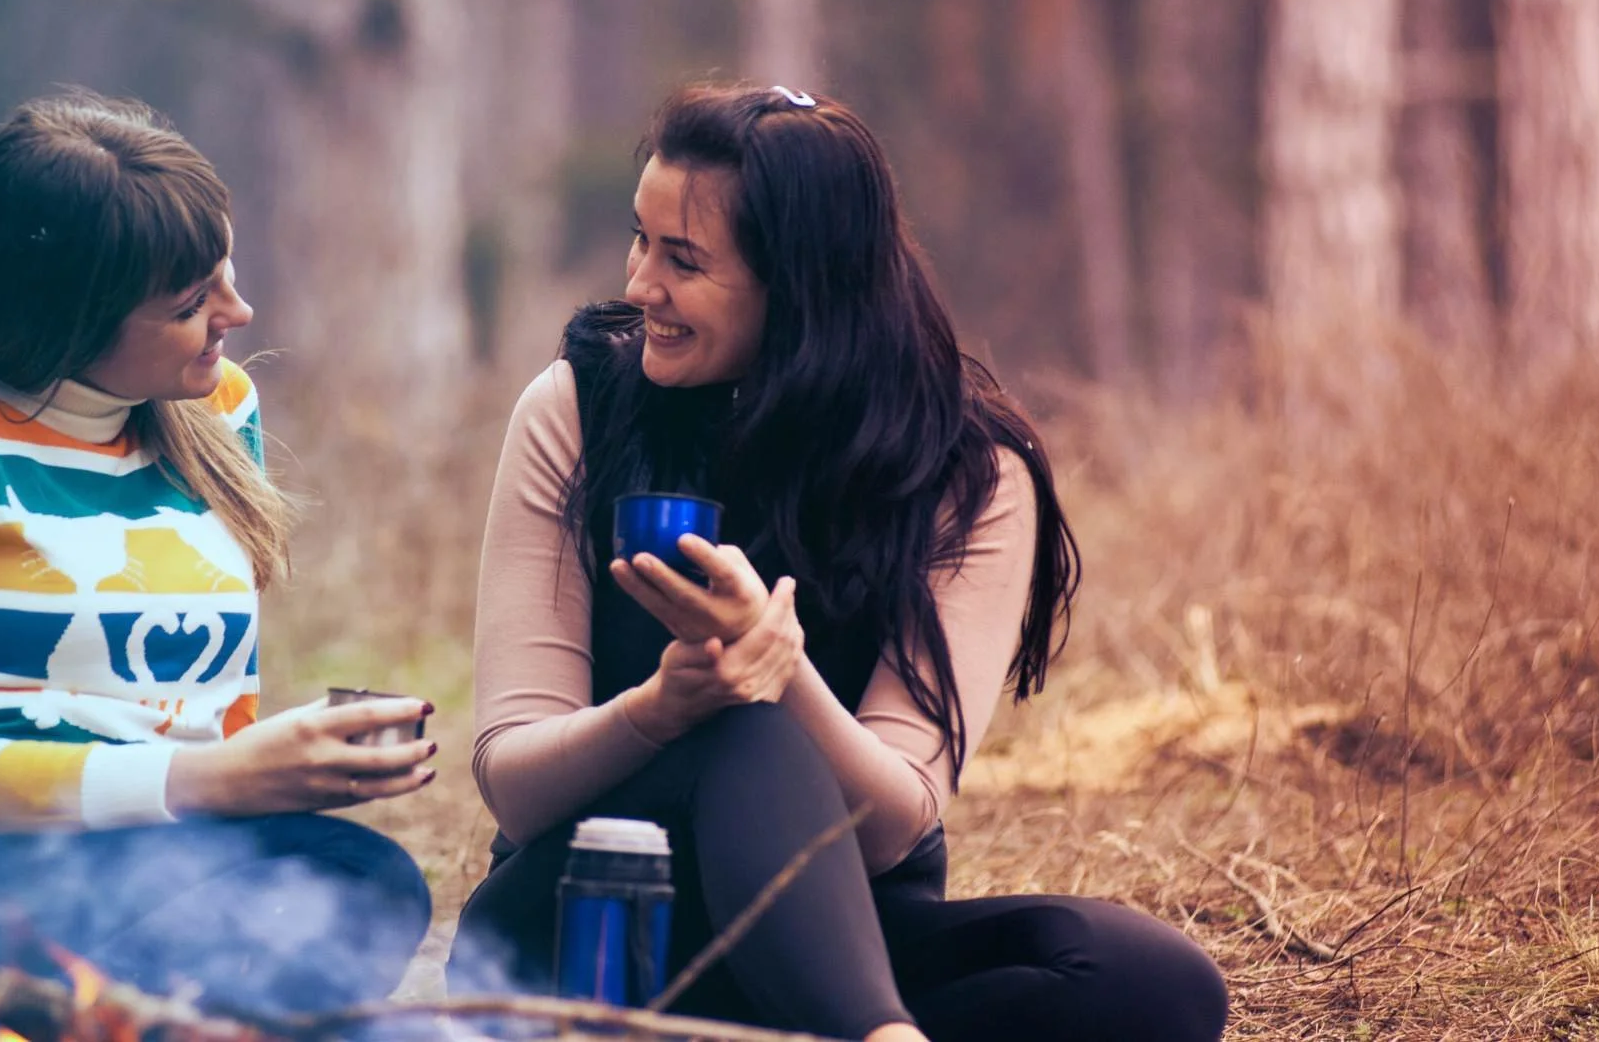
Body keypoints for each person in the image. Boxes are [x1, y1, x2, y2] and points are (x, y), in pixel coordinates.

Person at [454, 83, 1228, 1042]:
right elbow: (516, 783)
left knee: (1154, 981)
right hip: (584, 931)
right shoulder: (578, 410)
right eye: (640, 240)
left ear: (801, 286)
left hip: (834, 942)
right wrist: (664, 708)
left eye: (684, 260)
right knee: (736, 728)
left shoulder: (969, 474)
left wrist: (783, 673)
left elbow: (896, 822)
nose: (642, 284)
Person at [0, 91, 437, 1041]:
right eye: (190, 304)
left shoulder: (218, 409)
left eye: (225, 275)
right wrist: (219, 779)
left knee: (362, 881)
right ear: (71, 319)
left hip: (113, 878)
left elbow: (216, 708)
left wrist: (269, 775)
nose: (237, 313)